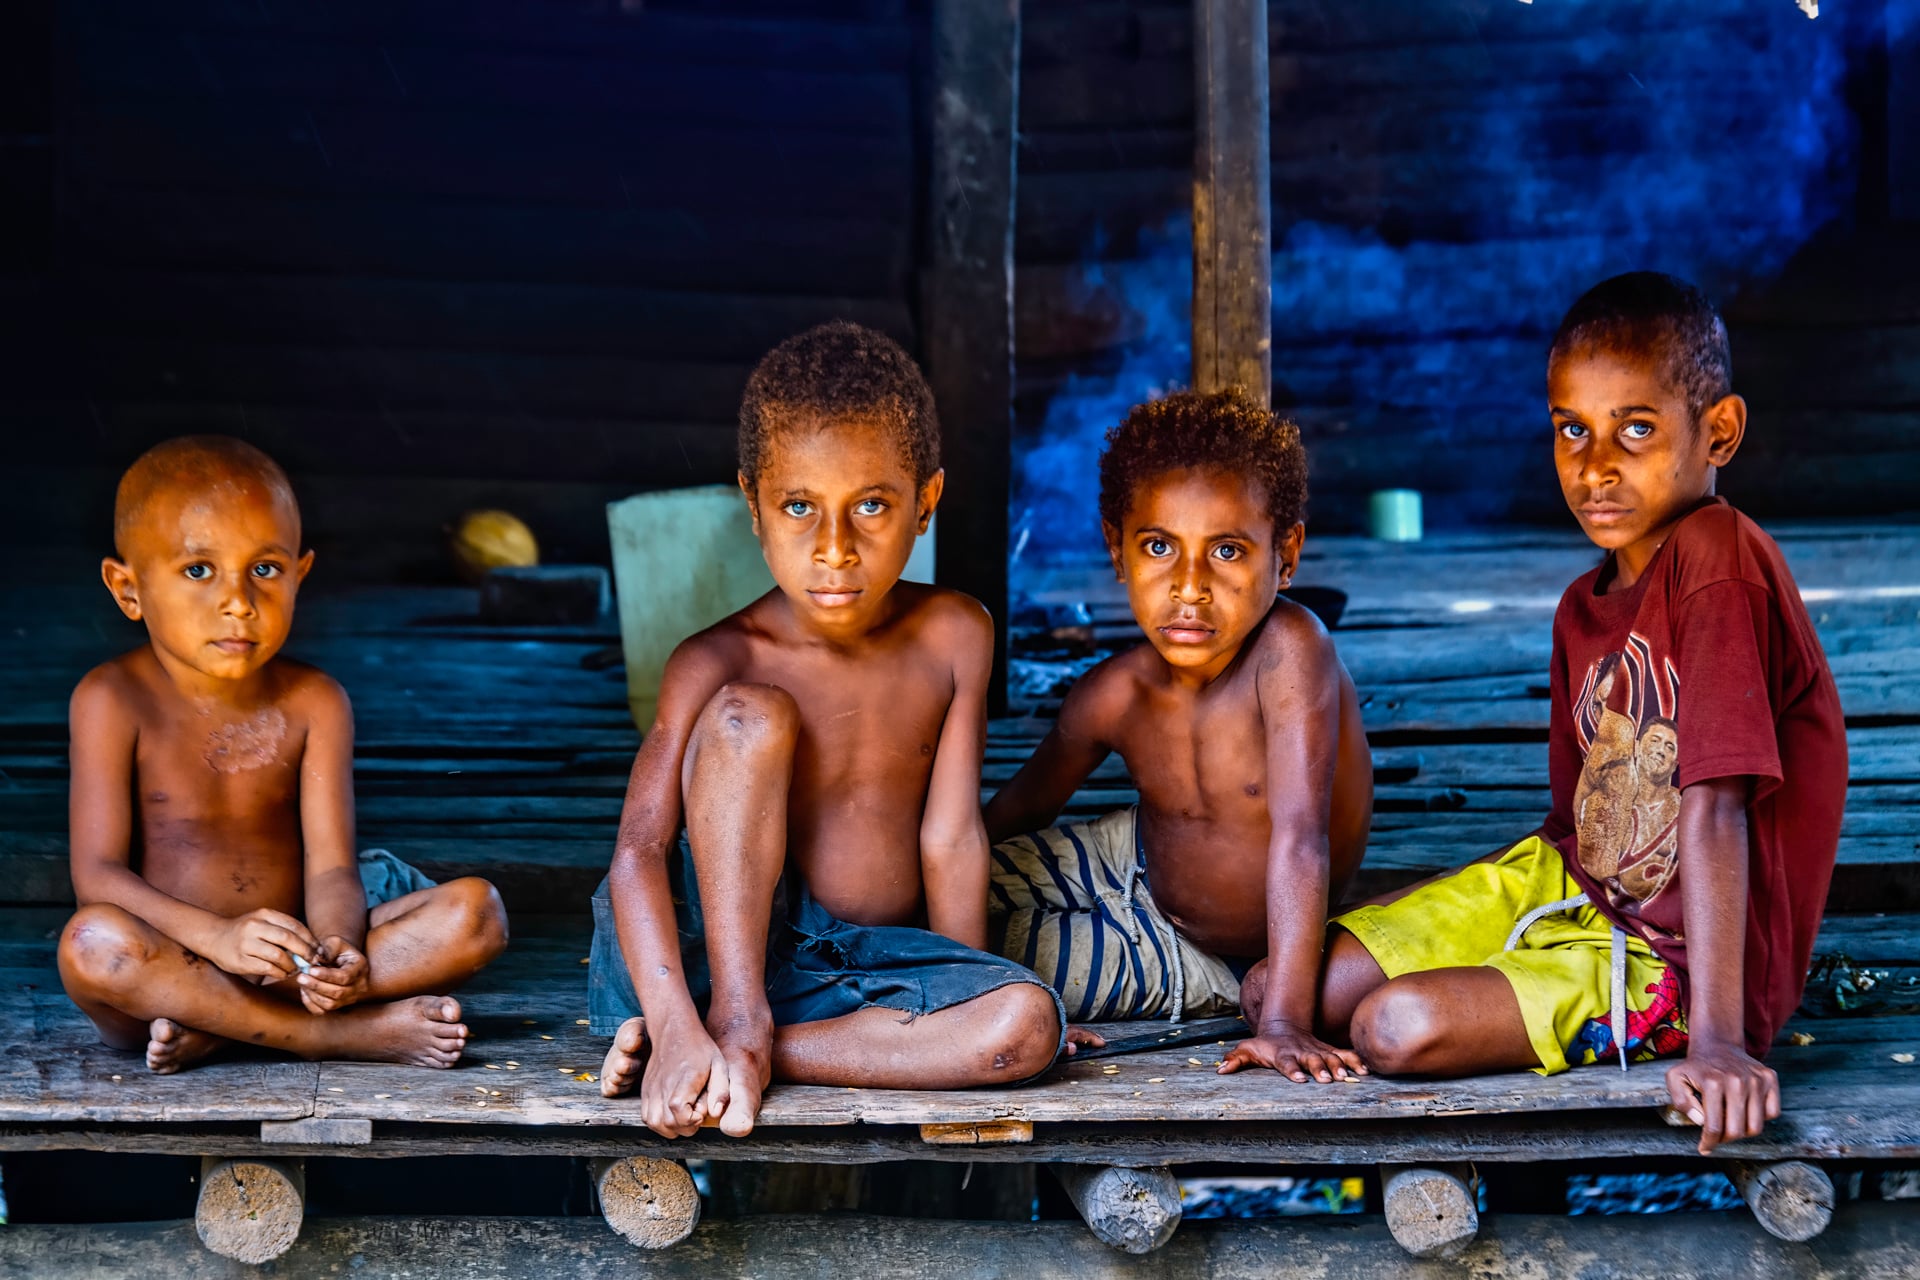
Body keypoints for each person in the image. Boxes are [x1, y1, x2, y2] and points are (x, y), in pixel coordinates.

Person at [1319, 272, 1846, 1155]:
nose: (1595, 464)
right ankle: (1511, 987)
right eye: (1572, 429)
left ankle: (1663, 1019)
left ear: (1719, 431)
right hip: (1582, 894)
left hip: (1679, 968)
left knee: (1391, 1028)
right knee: (1293, 991)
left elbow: (1714, 806)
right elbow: (1571, 831)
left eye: (1635, 429)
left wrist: (1721, 1044)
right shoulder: (1581, 606)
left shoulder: (1718, 558)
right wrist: (1448, 913)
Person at [592, 321, 1065, 1139]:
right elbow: (636, 851)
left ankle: (763, 1045)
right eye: (800, 506)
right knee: (751, 712)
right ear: (753, 504)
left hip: (858, 973)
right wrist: (673, 1022)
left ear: (927, 503)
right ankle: (718, 1021)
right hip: (703, 949)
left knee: (1027, 1027)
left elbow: (951, 837)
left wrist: (970, 983)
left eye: (872, 506)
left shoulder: (957, 635)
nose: (835, 549)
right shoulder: (714, 659)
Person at [58, 437, 508, 1074]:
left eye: (265, 569)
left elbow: (330, 869)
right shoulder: (112, 698)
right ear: (127, 589)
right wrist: (217, 938)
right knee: (91, 943)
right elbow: (98, 877)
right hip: (167, 969)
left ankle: (232, 1031)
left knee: (477, 914)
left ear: (300, 574)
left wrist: (340, 951)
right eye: (198, 570)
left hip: (290, 968)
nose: (239, 600)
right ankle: (342, 1037)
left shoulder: (314, 701)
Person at [985, 388, 1375, 1085]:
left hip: (1195, 954)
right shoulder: (1115, 693)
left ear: (1285, 555)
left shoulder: (1290, 652)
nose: (1189, 586)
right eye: (1159, 546)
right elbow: (1011, 817)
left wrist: (1284, 1019)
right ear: (1117, 549)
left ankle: (956, 997)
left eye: (1226, 550)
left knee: (998, 954)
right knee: (934, 890)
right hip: (1121, 854)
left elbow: (1300, 835)